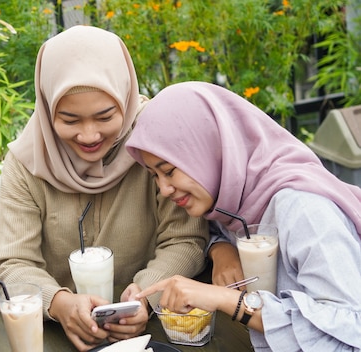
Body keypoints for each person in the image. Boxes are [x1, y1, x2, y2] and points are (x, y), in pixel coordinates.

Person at [0, 25, 209, 351]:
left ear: (126, 98)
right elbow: (11, 264)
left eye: (105, 117)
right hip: (59, 335)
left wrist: (145, 297)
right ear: (47, 112)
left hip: (157, 332)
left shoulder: (153, 140)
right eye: (70, 120)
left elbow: (185, 239)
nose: (89, 136)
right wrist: (59, 303)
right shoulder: (27, 161)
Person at [126, 81, 361, 351]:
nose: (164, 189)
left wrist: (230, 302)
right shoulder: (230, 194)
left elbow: (352, 331)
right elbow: (216, 229)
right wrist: (221, 249)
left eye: (169, 171)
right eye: (155, 175)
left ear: (208, 149)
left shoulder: (304, 211)